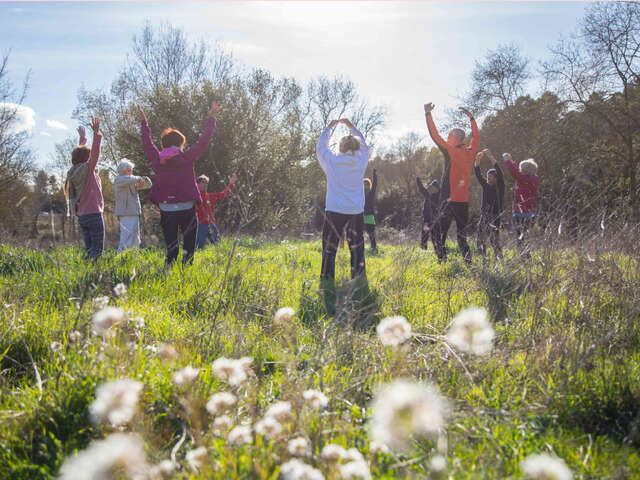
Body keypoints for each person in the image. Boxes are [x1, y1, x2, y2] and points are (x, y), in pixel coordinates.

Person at [137, 102, 219, 266]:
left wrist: (144, 123)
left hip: (167, 208)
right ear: (181, 143)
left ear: (164, 144)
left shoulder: (157, 159)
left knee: (171, 245)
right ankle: (186, 268)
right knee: (189, 244)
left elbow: (147, 144)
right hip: (187, 207)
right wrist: (211, 119)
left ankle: (169, 268)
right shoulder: (185, 157)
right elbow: (203, 142)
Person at [316, 118, 369, 286]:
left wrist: (329, 128)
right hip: (355, 211)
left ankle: (327, 280)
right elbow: (365, 145)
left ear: (340, 148)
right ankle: (358, 279)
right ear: (356, 147)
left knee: (329, 248)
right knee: (357, 248)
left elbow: (321, 148)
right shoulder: (361, 161)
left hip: (335, 209)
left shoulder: (332, 161)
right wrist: (351, 127)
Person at [423, 103, 479, 264]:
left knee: (439, 233)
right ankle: (469, 263)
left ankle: (443, 263)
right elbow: (476, 138)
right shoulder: (471, 152)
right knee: (462, 236)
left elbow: (435, 135)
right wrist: (472, 119)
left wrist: (427, 114)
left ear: (454, 138)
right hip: (463, 201)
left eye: (449, 136)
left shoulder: (451, 151)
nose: (447, 138)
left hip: (448, 200)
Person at [64, 119, 104, 259]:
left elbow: (80, 154)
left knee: (88, 248)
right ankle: (94, 275)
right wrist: (96, 134)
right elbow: (95, 153)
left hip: (82, 216)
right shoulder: (88, 169)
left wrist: (82, 139)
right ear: (87, 159)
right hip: (94, 214)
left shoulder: (73, 171)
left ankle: (86, 269)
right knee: (97, 250)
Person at [502, 153, 539, 252]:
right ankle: (527, 252)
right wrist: (511, 160)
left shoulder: (522, 178)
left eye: (521, 168)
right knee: (526, 233)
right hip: (531, 211)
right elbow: (517, 171)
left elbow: (515, 172)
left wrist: (507, 160)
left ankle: (522, 253)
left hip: (520, 210)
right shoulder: (534, 178)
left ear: (524, 170)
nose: (520, 169)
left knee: (519, 235)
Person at [114, 159, 152, 253]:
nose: (131, 172)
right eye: (128, 170)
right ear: (122, 170)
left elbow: (148, 185)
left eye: (131, 169)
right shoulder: (119, 179)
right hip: (126, 213)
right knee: (126, 238)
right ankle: (121, 258)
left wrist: (145, 179)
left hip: (134, 212)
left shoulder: (132, 180)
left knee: (135, 238)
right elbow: (132, 179)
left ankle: (133, 259)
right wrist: (139, 178)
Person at [474, 149, 505, 257]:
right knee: (480, 238)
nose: (488, 178)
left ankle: (499, 258)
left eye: (490, 176)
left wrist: (490, 156)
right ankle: (482, 258)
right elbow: (477, 173)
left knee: (494, 239)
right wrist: (477, 160)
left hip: (495, 216)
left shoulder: (500, 186)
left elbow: (500, 172)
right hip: (484, 215)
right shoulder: (485, 185)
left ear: (496, 178)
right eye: (487, 176)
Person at [195, 173, 237, 249]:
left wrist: (231, 184)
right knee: (198, 248)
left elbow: (223, 194)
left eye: (206, 183)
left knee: (218, 247)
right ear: (197, 184)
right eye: (203, 182)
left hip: (211, 224)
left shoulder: (210, 196)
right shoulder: (194, 197)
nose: (205, 185)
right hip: (200, 225)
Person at [415, 167, 440, 251]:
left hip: (434, 221)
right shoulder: (427, 194)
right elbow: (421, 187)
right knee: (424, 237)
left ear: (437, 189)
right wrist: (417, 177)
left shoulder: (439, 197)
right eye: (431, 187)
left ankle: (438, 253)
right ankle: (423, 253)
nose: (431, 188)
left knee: (434, 238)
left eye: (433, 187)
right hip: (426, 220)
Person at [363, 168, 378, 252]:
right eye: (364, 184)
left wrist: (374, 174)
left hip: (369, 217)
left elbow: (375, 184)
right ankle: (361, 249)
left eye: (367, 184)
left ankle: (374, 249)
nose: (365, 186)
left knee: (371, 235)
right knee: (358, 236)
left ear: (369, 185)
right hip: (361, 216)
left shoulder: (371, 193)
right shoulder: (359, 193)